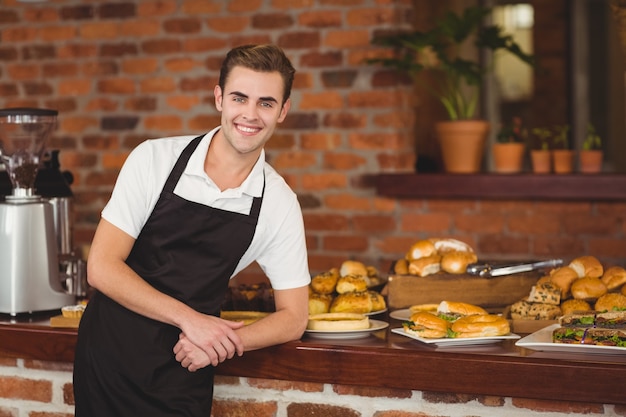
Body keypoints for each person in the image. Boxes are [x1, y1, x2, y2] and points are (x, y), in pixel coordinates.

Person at [73, 44, 311, 417]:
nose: (250, 114)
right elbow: (102, 267)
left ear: (283, 111)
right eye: (239, 97)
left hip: (188, 365)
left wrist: (221, 342)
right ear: (219, 98)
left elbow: (294, 317)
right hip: (108, 357)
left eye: (266, 103)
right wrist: (193, 320)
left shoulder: (278, 203)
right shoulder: (154, 159)